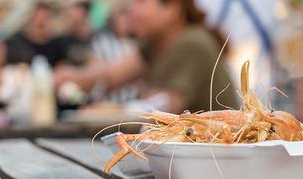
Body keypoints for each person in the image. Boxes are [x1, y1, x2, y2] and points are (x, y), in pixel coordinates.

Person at [55, 0, 238, 114]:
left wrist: (106, 112)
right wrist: (69, 76)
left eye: (140, 2)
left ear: (171, 8)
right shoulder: (153, 44)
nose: (132, 11)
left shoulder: (192, 42)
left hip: (216, 158)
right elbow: (111, 75)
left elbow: (162, 108)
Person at [5, 2, 68, 66]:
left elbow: (62, 66)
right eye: (39, 24)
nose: (42, 22)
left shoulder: (56, 46)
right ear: (31, 20)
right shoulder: (16, 43)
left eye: (46, 19)